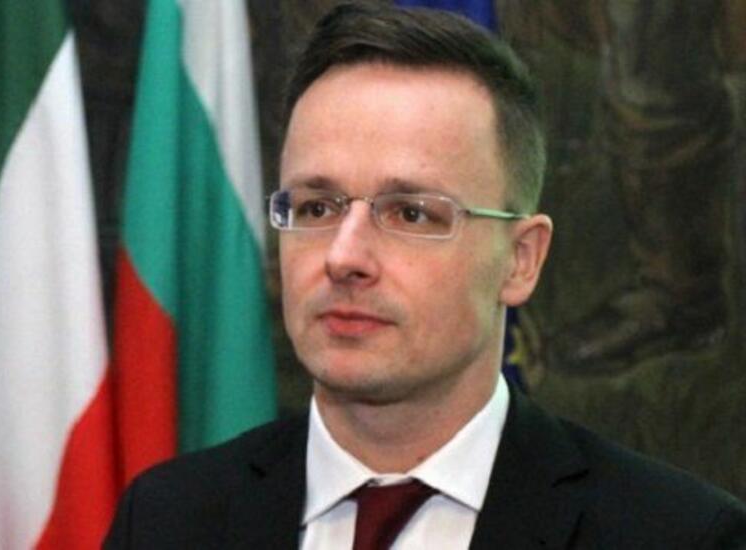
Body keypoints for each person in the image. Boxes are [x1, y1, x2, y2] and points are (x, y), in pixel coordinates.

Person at [104, 3, 746, 548]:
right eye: (317, 208)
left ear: (521, 259)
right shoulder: (166, 521)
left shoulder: (677, 536)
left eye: (410, 213)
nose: (344, 256)